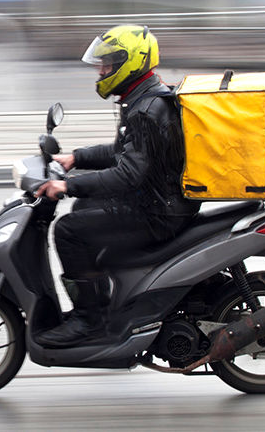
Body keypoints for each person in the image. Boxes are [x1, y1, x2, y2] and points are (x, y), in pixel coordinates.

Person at [33, 25, 200, 348]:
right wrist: (75, 158)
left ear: (131, 63)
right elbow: (124, 153)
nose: (101, 70)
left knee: (69, 230)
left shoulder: (147, 109)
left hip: (157, 212)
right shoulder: (144, 99)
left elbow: (127, 174)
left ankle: (89, 321)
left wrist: (66, 186)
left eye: (107, 64)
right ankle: (107, 304)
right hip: (160, 202)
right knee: (84, 211)